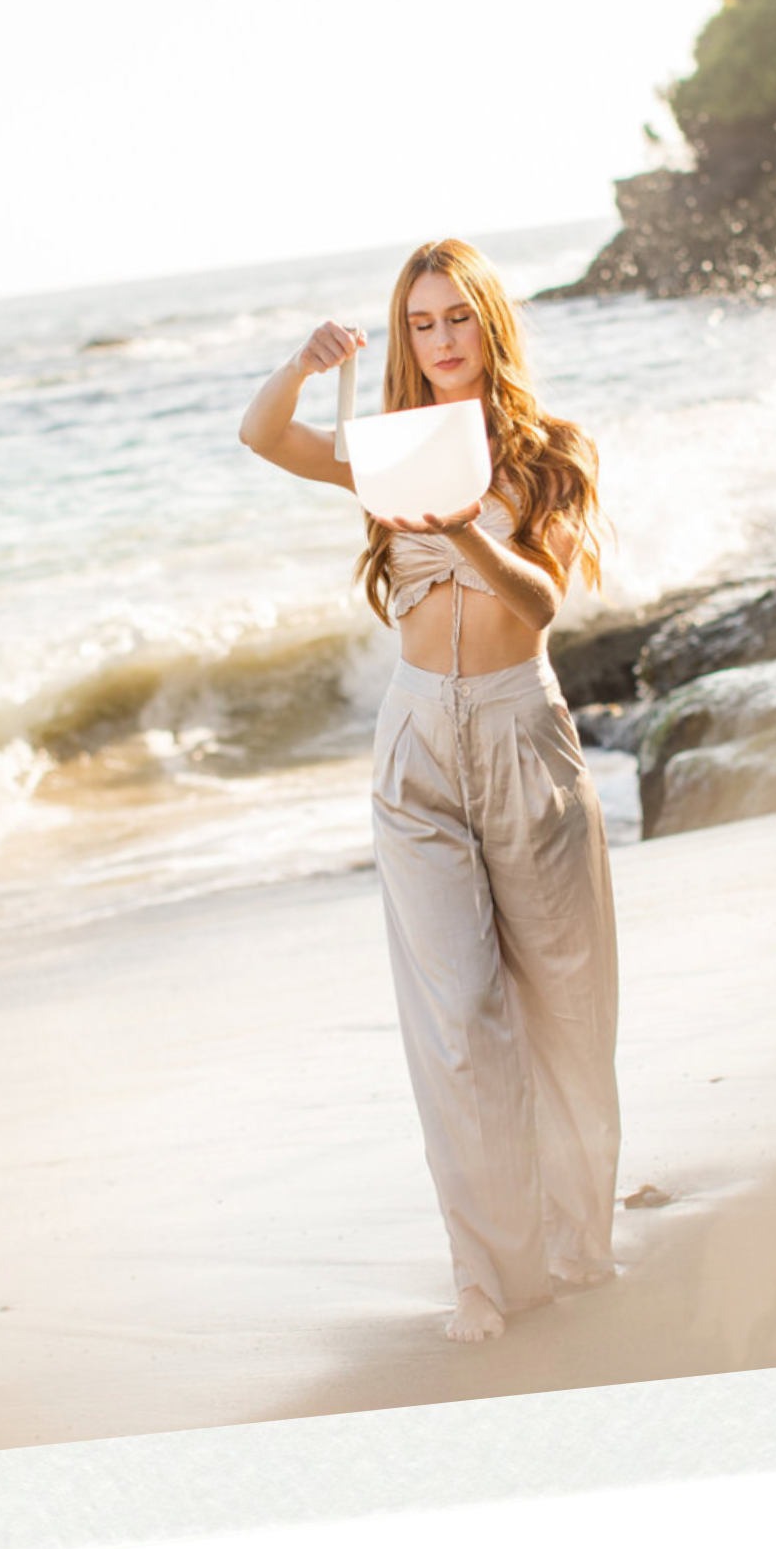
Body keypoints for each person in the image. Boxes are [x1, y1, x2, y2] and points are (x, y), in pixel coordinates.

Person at [238, 238, 621, 1344]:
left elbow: (543, 598)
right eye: (420, 322)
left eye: (457, 317)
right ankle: (485, 1273)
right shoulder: (385, 448)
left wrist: (465, 534)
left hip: (518, 727)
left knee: (563, 1002)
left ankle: (572, 1243)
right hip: (415, 742)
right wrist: (303, 364)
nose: (440, 338)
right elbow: (262, 436)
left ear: (487, 325)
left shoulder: (545, 451)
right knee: (456, 1017)